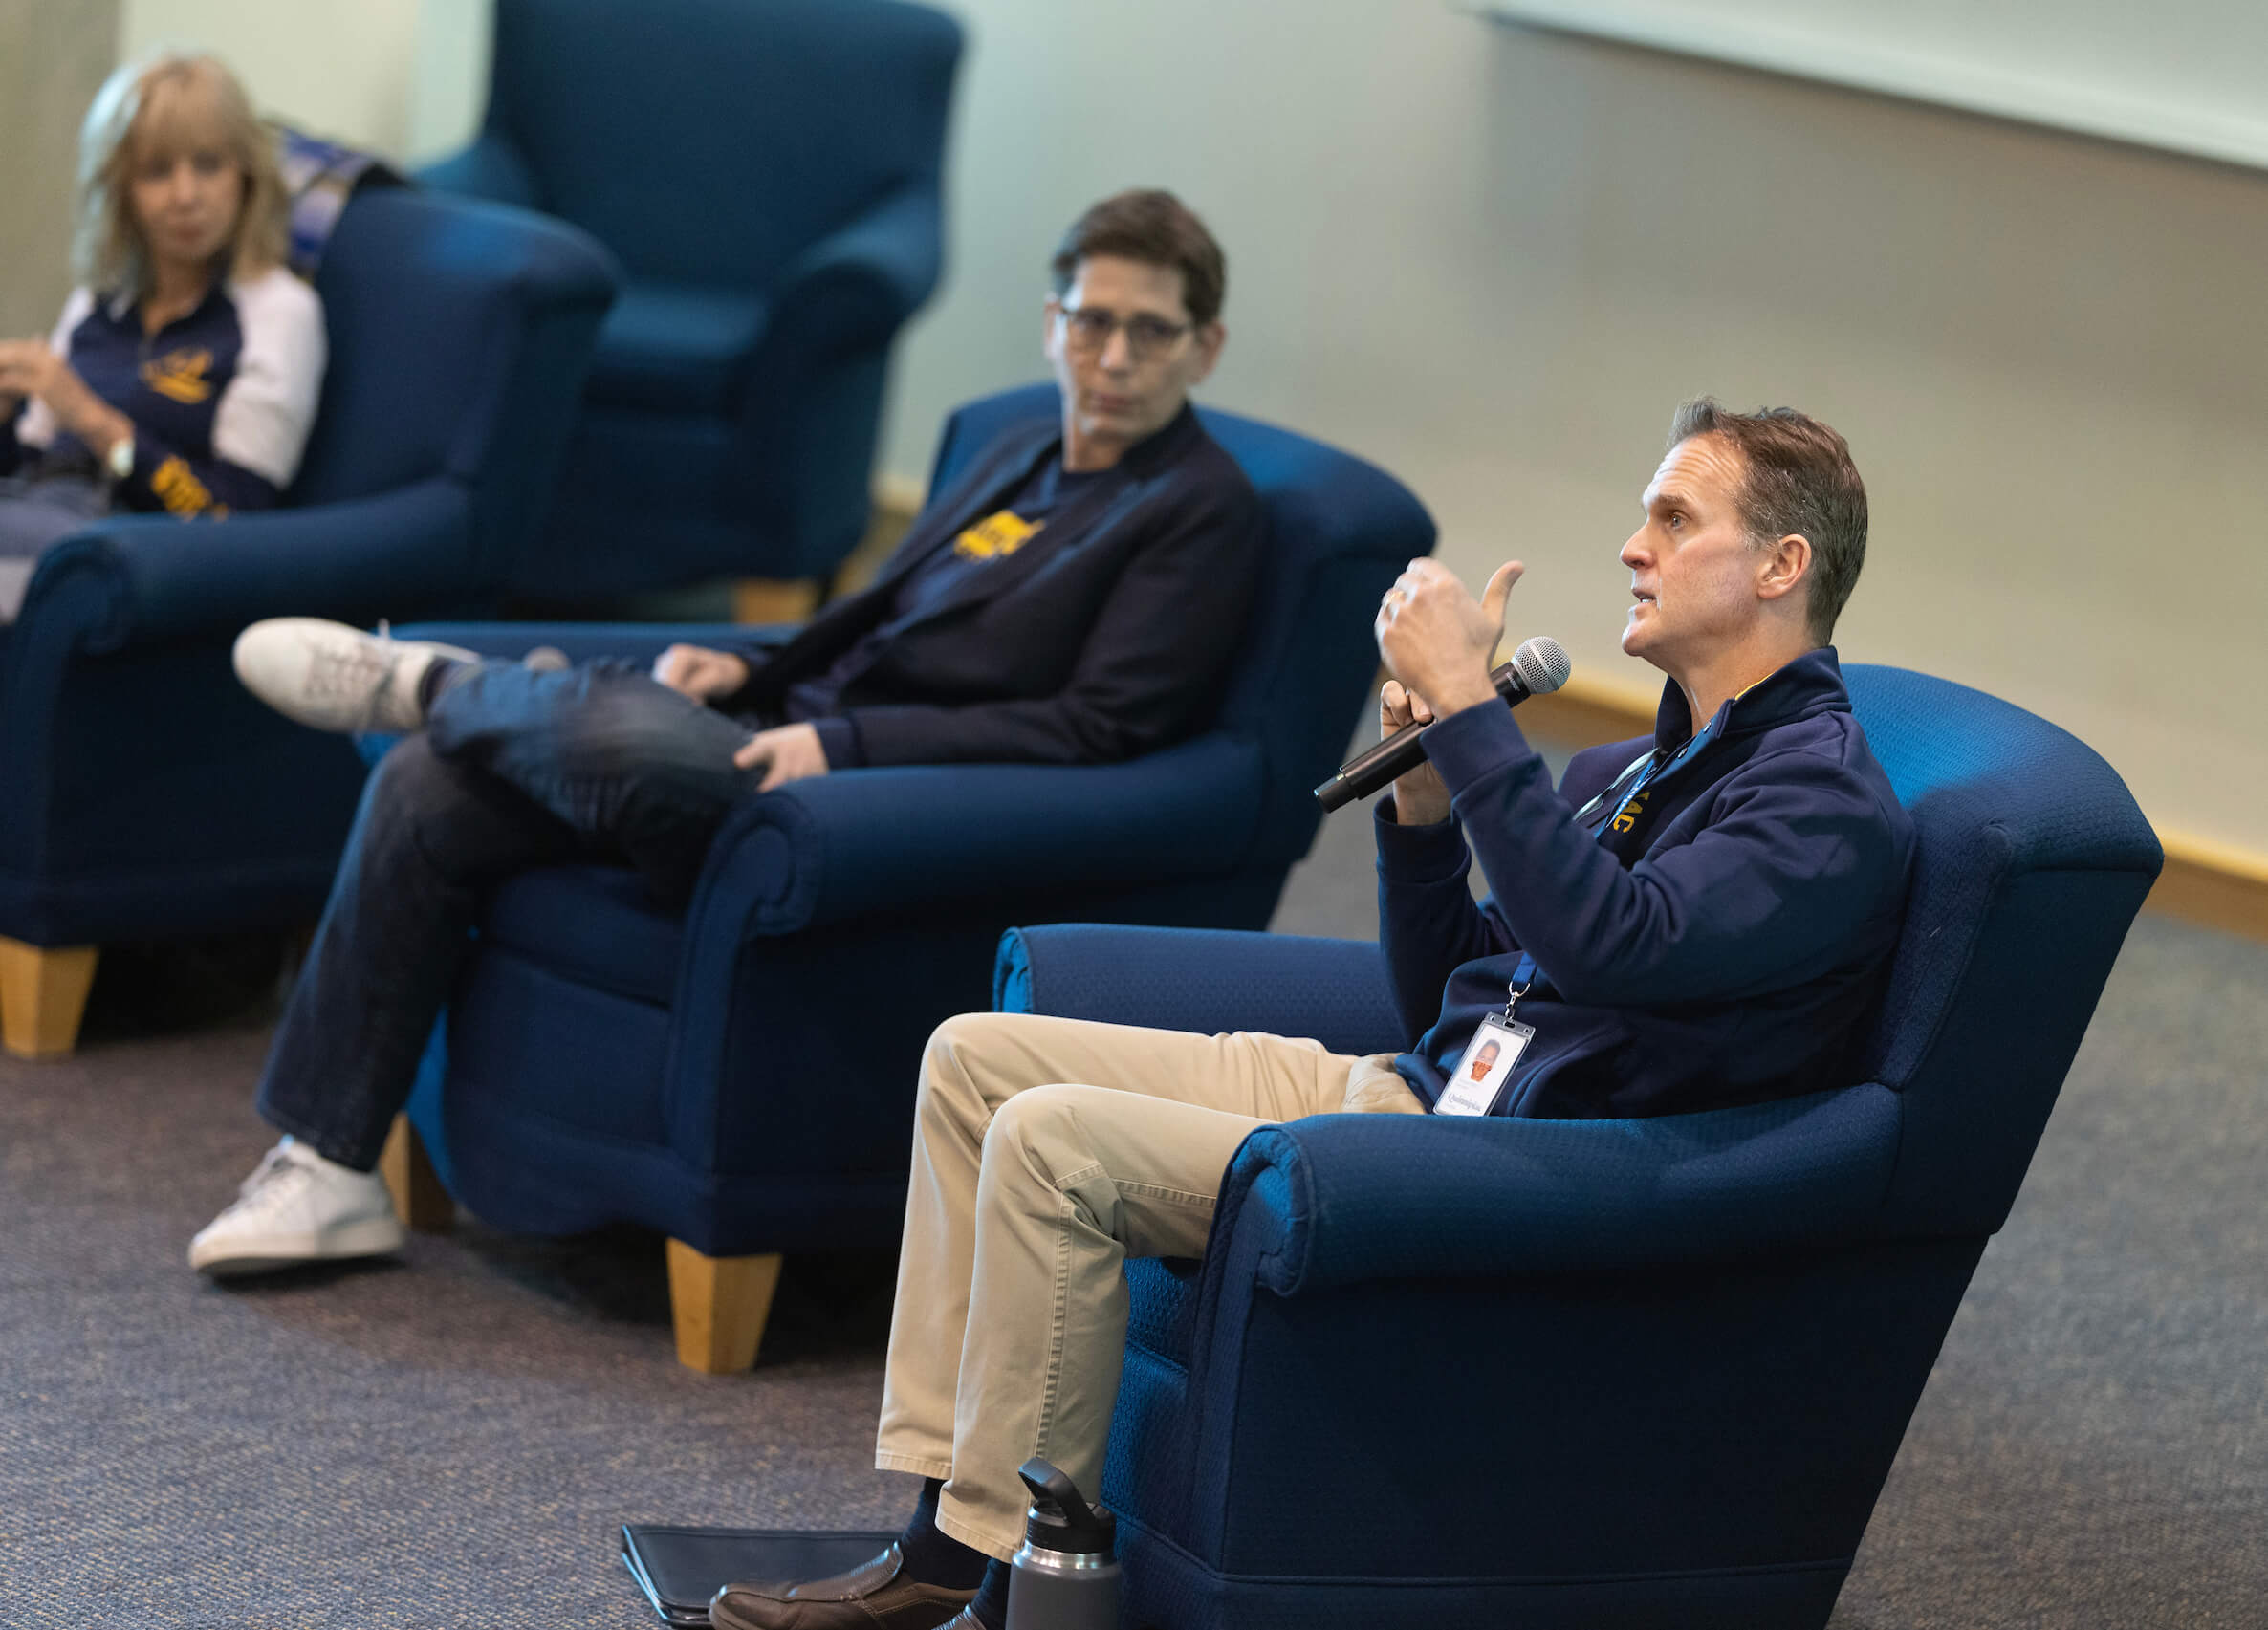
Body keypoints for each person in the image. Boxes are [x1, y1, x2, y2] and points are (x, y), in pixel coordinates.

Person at [709, 399, 1915, 1630]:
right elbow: (1456, 980)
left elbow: (1610, 945)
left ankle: (1001, 1579)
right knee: (972, 1060)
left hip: (1497, 1164)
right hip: (1415, 1089)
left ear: (1781, 565)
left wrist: (1468, 709)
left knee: (1050, 1142)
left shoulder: (1815, 806)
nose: (1631, 546)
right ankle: (936, 1523)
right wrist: (1427, 811)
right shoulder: (1631, 769)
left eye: (1673, 516)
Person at [187, 188, 1264, 1278]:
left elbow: (1092, 730)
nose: (1113, 356)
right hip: (773, 725)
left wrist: (847, 751)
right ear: (1052, 322)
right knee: (428, 786)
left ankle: (453, 687)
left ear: (1203, 347)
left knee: (626, 746)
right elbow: (870, 618)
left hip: (857, 804)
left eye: (1149, 330)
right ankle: (325, 1165)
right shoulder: (1018, 450)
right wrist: (749, 664)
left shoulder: (1199, 509)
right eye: (1091, 321)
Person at [0, 52, 325, 620]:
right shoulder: (98, 303)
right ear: (122, 190)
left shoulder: (278, 311)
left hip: (133, 549)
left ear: (246, 175)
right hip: (37, 518)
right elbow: (25, 466)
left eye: (208, 165)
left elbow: (231, 517)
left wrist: (98, 425)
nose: (185, 196)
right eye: (156, 172)